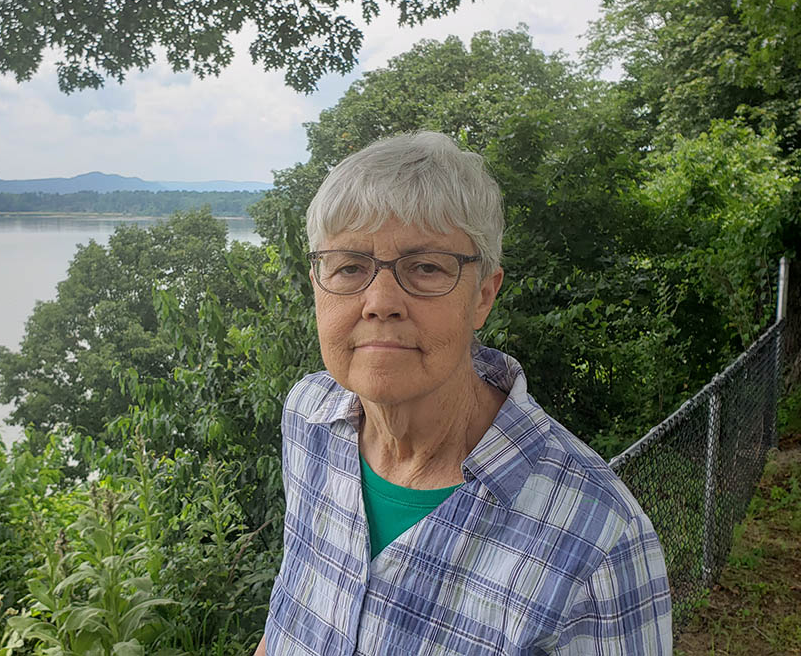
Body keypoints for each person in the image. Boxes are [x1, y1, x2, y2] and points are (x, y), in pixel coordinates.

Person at [254, 131, 672, 655]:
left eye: (426, 266)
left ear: (483, 295)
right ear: (317, 284)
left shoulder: (598, 541)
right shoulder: (309, 418)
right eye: (350, 267)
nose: (380, 302)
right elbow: (292, 613)